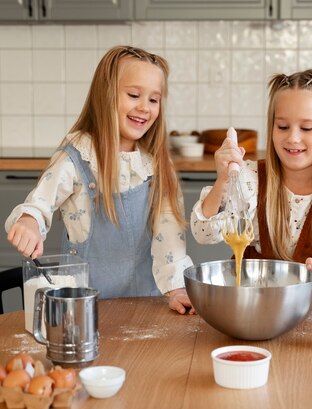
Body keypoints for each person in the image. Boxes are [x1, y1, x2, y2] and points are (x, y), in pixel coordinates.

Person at [5, 46, 195, 314]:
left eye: (154, 99)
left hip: (145, 308)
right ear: (105, 95)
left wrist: (176, 289)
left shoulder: (156, 165)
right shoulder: (77, 156)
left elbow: (169, 241)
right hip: (84, 310)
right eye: (133, 95)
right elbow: (39, 204)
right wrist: (29, 222)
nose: (144, 107)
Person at [190, 69, 312, 301]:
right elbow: (203, 233)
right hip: (256, 305)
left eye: (306, 128)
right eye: (283, 126)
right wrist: (223, 180)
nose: (293, 138)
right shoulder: (251, 179)